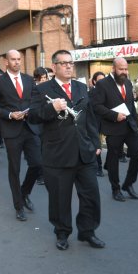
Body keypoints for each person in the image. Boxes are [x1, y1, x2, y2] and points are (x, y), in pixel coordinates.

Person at [29, 50, 104, 251]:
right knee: (60, 198)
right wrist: (51, 108)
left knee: (91, 196)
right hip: (58, 153)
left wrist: (96, 143)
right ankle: (62, 232)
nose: (69, 66)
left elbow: (89, 117)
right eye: (63, 63)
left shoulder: (81, 87)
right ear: (54, 67)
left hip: (84, 151)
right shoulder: (42, 88)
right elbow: (33, 116)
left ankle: (88, 231)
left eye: (71, 63)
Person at [0, 49, 42, 221]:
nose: (17, 62)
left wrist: (30, 111)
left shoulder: (28, 79)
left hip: (29, 128)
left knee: (37, 164)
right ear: (6, 62)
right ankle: (18, 205)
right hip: (11, 131)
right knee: (15, 169)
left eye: (19, 59)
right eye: (13, 59)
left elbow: (35, 100)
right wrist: (10, 115)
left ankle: (24, 192)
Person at [92, 57, 138, 202]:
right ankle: (116, 188)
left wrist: (136, 126)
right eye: (121, 69)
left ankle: (129, 183)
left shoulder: (127, 82)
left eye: (126, 69)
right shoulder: (102, 84)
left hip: (130, 126)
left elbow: (131, 105)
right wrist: (114, 115)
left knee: (137, 153)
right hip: (113, 127)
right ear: (113, 69)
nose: (124, 72)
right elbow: (97, 106)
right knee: (113, 159)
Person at [89, 71, 106, 177]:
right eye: (100, 80)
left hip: (109, 123)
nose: (103, 82)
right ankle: (98, 167)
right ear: (94, 82)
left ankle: (107, 165)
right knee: (97, 146)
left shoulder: (109, 91)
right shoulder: (90, 94)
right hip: (96, 123)